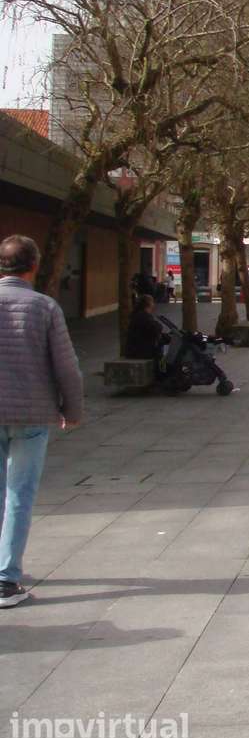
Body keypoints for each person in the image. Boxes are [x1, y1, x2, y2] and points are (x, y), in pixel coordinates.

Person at [0, 235, 84, 608]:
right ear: (33, 265)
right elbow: (66, 366)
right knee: (20, 493)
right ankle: (5, 579)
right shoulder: (44, 307)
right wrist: (73, 410)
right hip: (32, 413)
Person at [123, 294, 170, 374]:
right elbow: (156, 327)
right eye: (152, 302)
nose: (154, 304)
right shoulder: (143, 316)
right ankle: (161, 373)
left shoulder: (139, 315)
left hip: (135, 349)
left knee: (164, 341)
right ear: (148, 304)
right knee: (164, 350)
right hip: (139, 350)